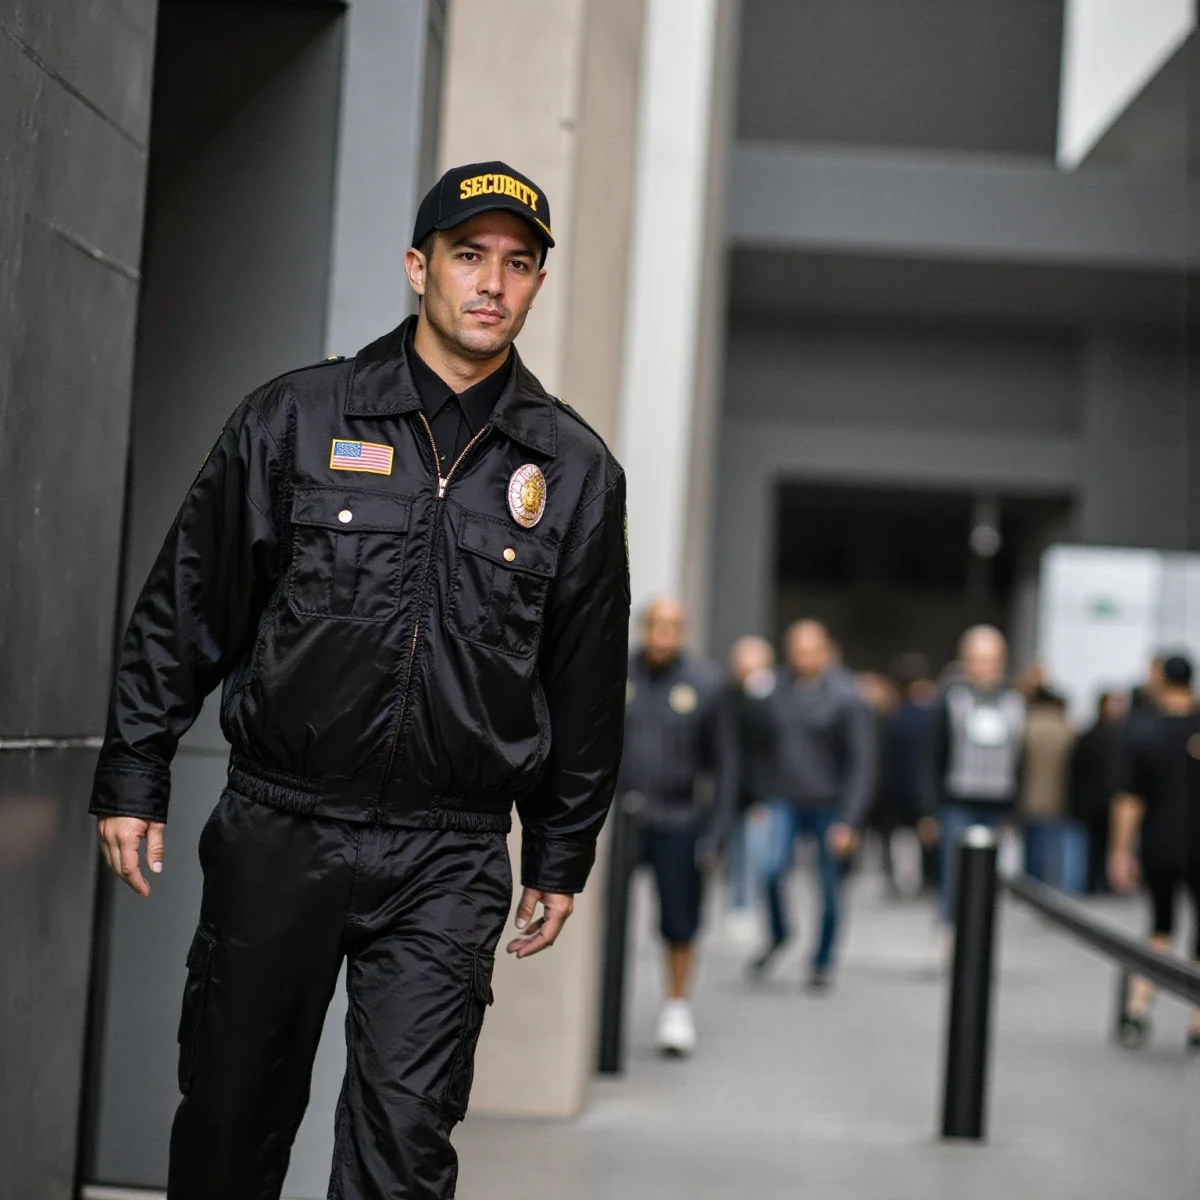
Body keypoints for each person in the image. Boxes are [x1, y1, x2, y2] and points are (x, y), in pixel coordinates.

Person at [89, 160, 631, 1199]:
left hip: (450, 855)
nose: (492, 284)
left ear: (536, 286)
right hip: (281, 825)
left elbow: (587, 677)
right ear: (418, 266)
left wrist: (561, 849)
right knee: (229, 1120)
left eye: (518, 266)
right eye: (469, 256)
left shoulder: (572, 471)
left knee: (406, 1152)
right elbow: (190, 600)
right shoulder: (295, 418)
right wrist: (134, 769)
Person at [620, 598, 735, 1055]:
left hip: (679, 818)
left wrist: (717, 832)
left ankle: (676, 1006)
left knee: (679, 920)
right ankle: (600, 1007)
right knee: (605, 917)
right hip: (619, 819)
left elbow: (726, 766)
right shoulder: (617, 671)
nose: (662, 635)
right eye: (654, 625)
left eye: (671, 627)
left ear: (682, 631)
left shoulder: (705, 684)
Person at [750, 620, 876, 990]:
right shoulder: (777, 690)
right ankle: (779, 931)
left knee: (830, 886)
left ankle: (822, 960)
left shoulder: (846, 696)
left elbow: (861, 762)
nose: (802, 658)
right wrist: (760, 795)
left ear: (825, 651)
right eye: (796, 650)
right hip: (784, 799)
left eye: (809, 650)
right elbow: (760, 745)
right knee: (771, 869)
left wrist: (850, 820)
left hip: (830, 804)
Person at [1109, 654, 1200, 1052]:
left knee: (1159, 928)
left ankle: (1138, 1007)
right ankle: (1197, 1021)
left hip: (1161, 842)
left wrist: (1120, 850)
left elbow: (1129, 800)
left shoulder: (1144, 730)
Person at [920, 626, 1025, 926]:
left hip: (997, 801)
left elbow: (1020, 757)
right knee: (954, 874)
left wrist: (1016, 808)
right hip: (958, 801)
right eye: (979, 659)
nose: (986, 667)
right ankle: (951, 932)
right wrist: (929, 810)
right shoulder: (951, 699)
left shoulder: (1013, 702)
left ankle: (979, 931)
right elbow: (932, 755)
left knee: (990, 878)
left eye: (992, 659)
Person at [724, 634, 777, 939]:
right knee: (736, 853)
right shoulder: (731, 695)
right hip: (735, 789)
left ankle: (749, 906)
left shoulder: (769, 696)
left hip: (761, 793)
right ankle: (738, 904)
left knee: (757, 854)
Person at [883, 653, 939, 895]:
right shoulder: (926, 713)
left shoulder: (897, 714)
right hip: (915, 787)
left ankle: (907, 880)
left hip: (900, 787)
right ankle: (926, 880)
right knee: (923, 839)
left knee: (904, 838)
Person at [1020, 688, 1084, 891]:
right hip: (1059, 799)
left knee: (1032, 853)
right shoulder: (1068, 730)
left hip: (1030, 799)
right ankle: (1056, 892)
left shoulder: (1027, 728)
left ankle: (1031, 893)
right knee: (1056, 852)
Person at [1069, 690, 1126, 894]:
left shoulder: (1126, 736)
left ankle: (1109, 884)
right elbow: (1077, 771)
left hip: (1115, 801)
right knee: (1093, 847)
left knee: (1114, 844)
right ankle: (1092, 883)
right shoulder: (1091, 737)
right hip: (1094, 803)